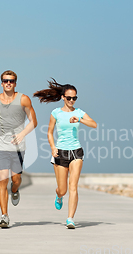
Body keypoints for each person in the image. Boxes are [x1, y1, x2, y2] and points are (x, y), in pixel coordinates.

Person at [34, 79, 97, 229]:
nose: (71, 101)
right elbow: (49, 132)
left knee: (73, 186)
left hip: (76, 152)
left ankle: (70, 218)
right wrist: (52, 147)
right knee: (63, 189)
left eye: (74, 98)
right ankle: (58, 195)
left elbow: (94, 124)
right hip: (60, 153)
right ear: (63, 97)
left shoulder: (79, 112)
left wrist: (80, 119)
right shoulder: (55, 113)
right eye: (69, 98)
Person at [0, 70, 37, 228]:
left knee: (15, 180)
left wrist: (22, 134)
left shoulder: (23, 99)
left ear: (15, 83)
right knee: (2, 180)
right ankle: (4, 216)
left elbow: (34, 121)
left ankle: (15, 190)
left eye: (11, 81)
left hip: (18, 147)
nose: (8, 83)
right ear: (1, 83)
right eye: (5, 80)